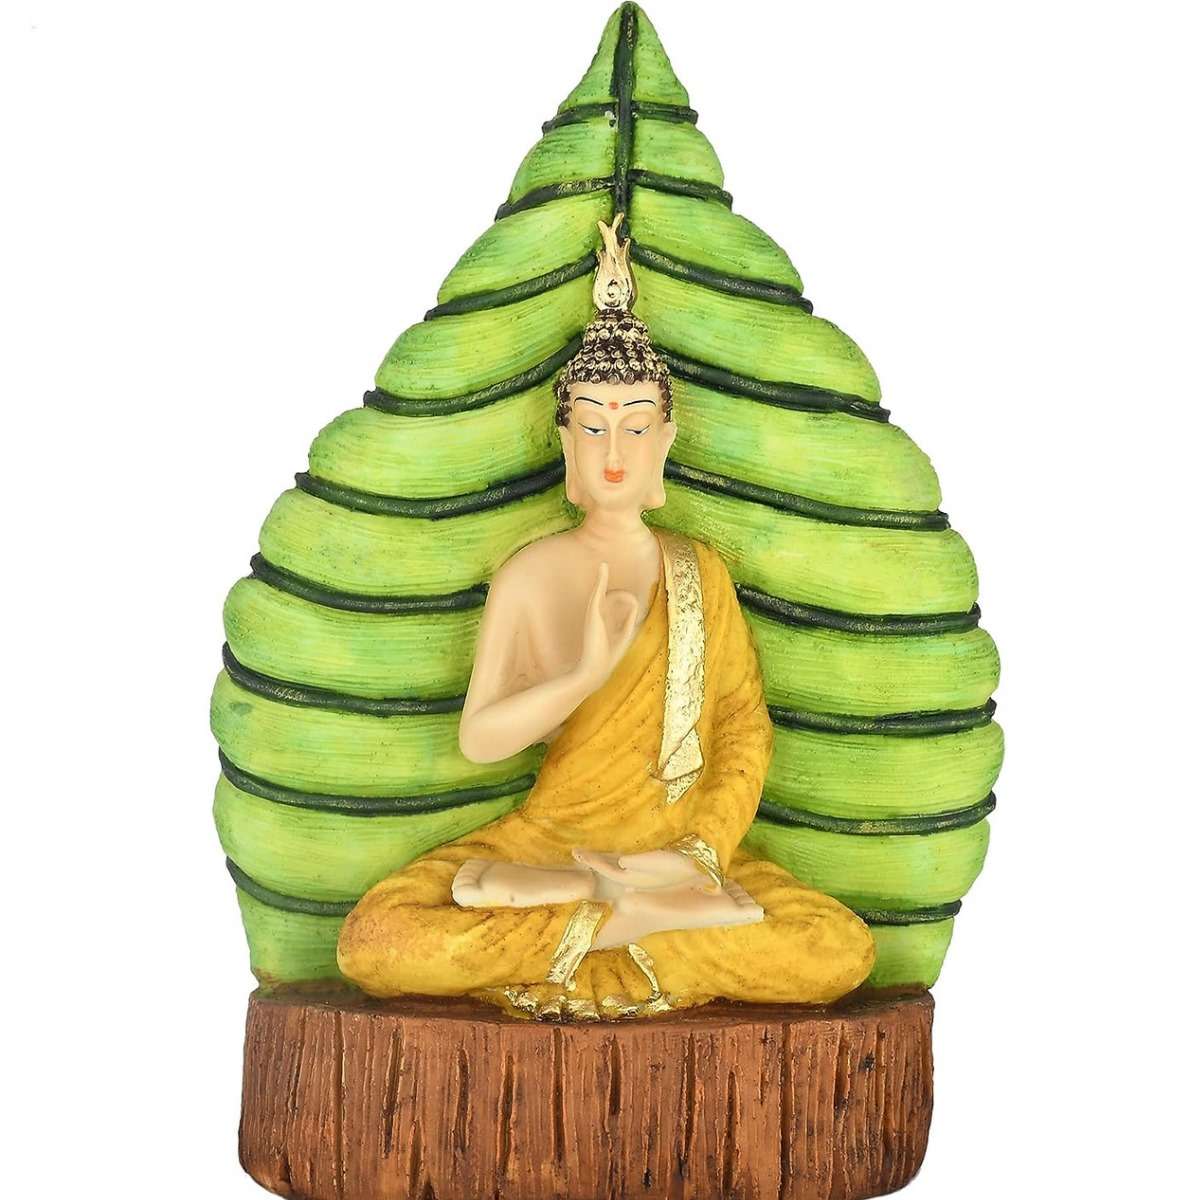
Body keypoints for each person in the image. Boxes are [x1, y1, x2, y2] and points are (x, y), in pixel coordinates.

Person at [337, 217, 874, 1019]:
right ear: (566, 444)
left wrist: (698, 855)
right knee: (376, 938)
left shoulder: (698, 573)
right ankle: (625, 919)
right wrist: (580, 676)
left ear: (666, 442)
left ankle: (598, 923)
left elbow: (742, 729)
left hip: (674, 852)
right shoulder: (531, 573)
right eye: (592, 426)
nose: (613, 451)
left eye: (635, 426)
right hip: (551, 840)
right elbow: (480, 738)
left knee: (837, 947)